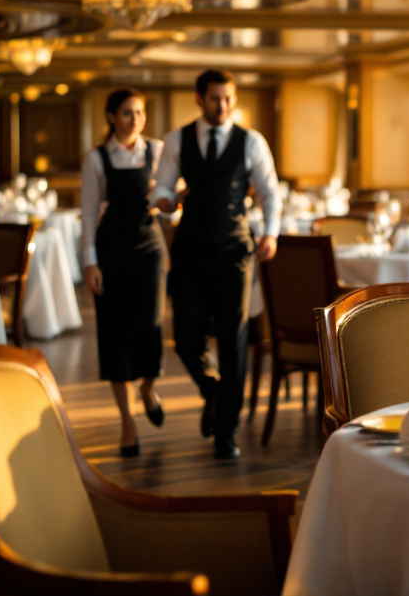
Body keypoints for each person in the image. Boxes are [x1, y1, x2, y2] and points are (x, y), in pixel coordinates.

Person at [153, 69, 280, 460]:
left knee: (234, 343)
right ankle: (213, 389)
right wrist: (167, 201)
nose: (222, 106)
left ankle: (226, 431)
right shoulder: (177, 140)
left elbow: (270, 192)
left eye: (228, 99)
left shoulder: (250, 142)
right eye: (214, 99)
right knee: (187, 339)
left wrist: (271, 233)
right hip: (189, 252)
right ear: (199, 98)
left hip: (234, 254)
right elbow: (162, 188)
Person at [80, 88, 166, 457]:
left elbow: (170, 208)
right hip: (111, 251)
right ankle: (127, 422)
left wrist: (168, 201)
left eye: (141, 113)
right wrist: (90, 262)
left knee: (151, 328)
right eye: (129, 113)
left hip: (150, 250)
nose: (136, 119)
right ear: (112, 116)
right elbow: (87, 214)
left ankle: (148, 388)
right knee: (114, 334)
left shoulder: (158, 151)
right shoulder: (96, 159)